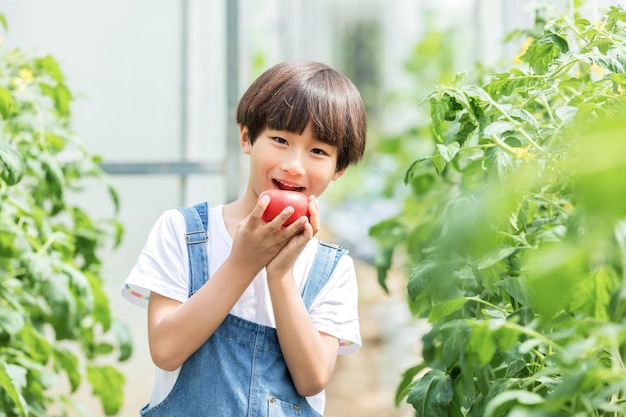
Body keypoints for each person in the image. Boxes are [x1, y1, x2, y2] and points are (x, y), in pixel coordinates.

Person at [121, 60, 367, 416]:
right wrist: (243, 262)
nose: (295, 165)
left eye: (318, 151)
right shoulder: (183, 232)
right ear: (247, 137)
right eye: (280, 140)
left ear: (339, 168)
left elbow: (312, 378)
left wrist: (280, 276)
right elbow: (165, 349)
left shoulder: (331, 269)